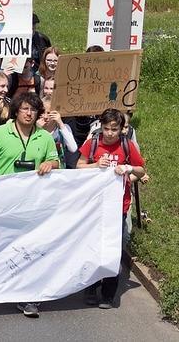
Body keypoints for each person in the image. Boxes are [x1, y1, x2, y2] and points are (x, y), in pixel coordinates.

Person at [0, 92, 59, 318]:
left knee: (30, 249)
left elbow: (56, 160)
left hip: (32, 204)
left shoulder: (44, 137)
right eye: (25, 108)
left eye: (33, 110)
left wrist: (49, 163)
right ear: (16, 110)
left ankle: (29, 296)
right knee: (0, 246)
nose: (29, 113)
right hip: (4, 201)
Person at [77, 108, 146, 309]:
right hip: (95, 205)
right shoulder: (93, 144)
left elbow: (141, 171)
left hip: (118, 206)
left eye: (114, 129)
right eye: (106, 128)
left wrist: (128, 169)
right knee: (92, 247)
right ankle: (90, 287)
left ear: (121, 130)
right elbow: (79, 167)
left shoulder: (127, 145)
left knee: (113, 249)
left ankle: (108, 293)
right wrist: (96, 165)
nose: (109, 133)